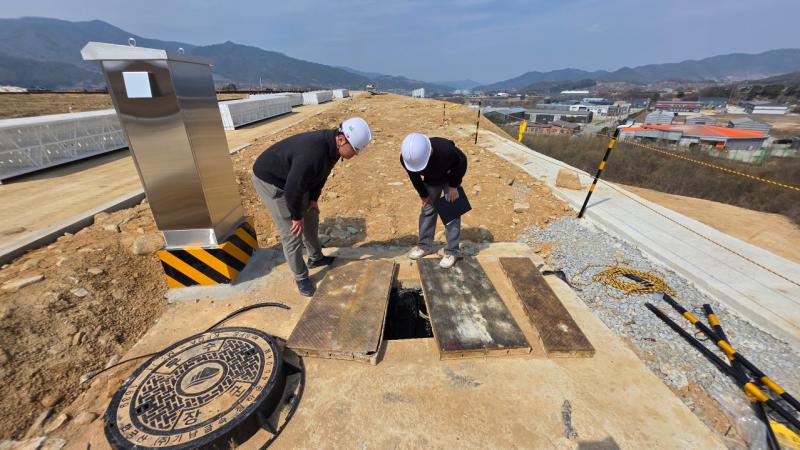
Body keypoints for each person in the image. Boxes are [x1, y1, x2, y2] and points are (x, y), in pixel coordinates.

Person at [251, 117, 372, 296]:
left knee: (312, 217)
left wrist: (313, 199)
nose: (356, 153)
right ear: (341, 139)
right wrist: (296, 217)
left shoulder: (332, 149)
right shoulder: (312, 153)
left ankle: (316, 258)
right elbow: (293, 189)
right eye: (355, 149)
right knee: (292, 233)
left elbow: (321, 175)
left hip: (294, 179)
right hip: (272, 181)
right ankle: (300, 276)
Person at [400, 133, 468, 269]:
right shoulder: (407, 157)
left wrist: (454, 185)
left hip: (450, 179)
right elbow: (414, 176)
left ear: (429, 152)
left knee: (452, 213)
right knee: (427, 210)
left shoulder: (446, 150)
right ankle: (424, 246)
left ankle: (452, 251)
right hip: (431, 182)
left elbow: (462, 161)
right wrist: (423, 194)